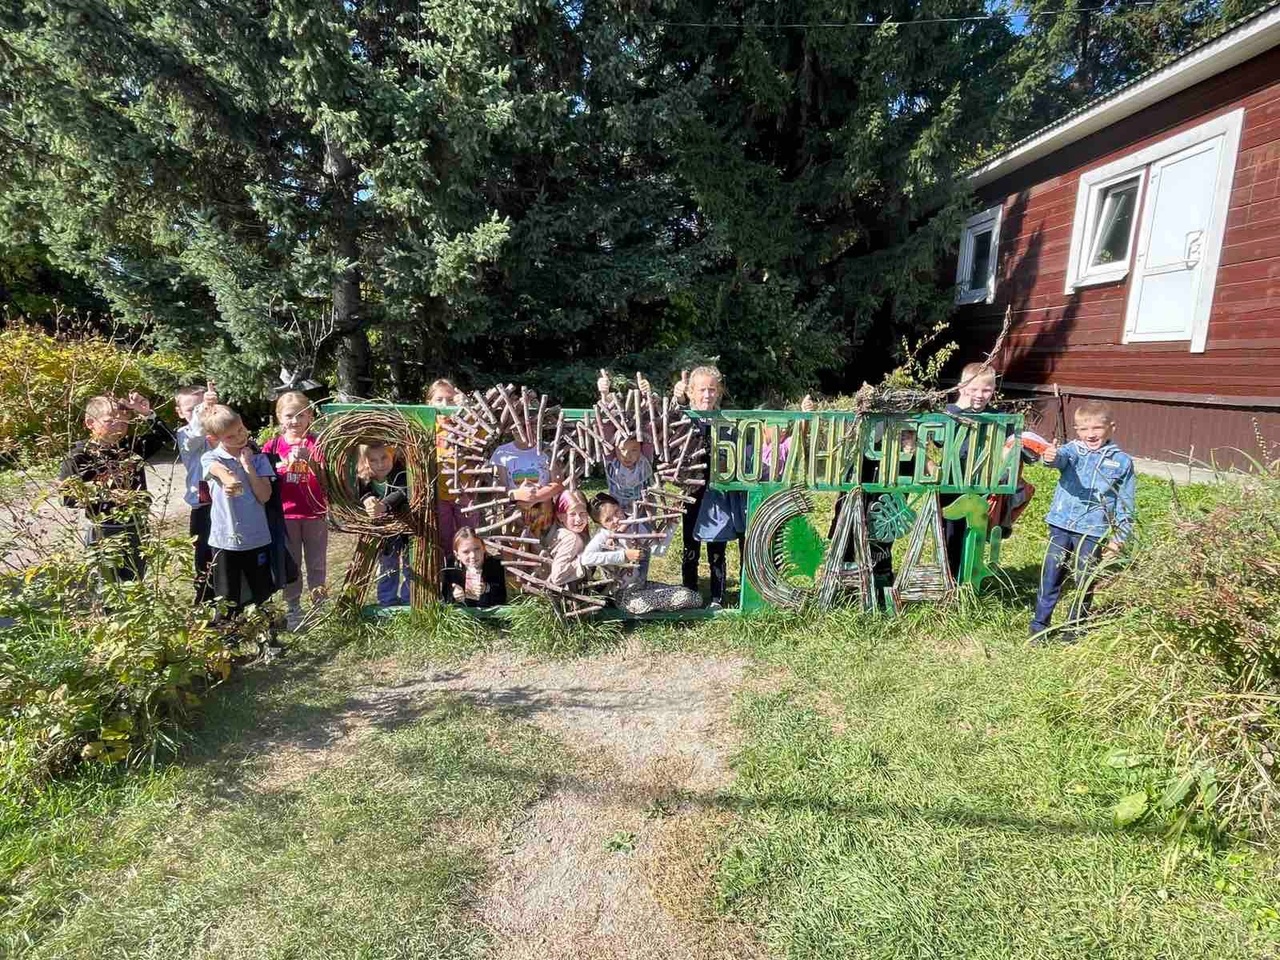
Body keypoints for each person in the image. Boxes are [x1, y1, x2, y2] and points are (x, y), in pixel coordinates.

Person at [1031, 400, 1135, 642]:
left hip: (1093, 531)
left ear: (1111, 427)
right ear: (1077, 430)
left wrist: (1120, 538)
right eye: (1084, 429)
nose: (1091, 434)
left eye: (1097, 428)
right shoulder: (1072, 451)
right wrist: (1050, 456)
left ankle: (1074, 629)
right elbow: (1058, 459)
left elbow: (1126, 503)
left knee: (1084, 578)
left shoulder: (1121, 462)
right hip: (1061, 526)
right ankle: (1039, 627)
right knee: (1051, 576)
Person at [59, 392, 167, 584]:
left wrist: (146, 413)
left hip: (137, 525)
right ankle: (108, 614)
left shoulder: (131, 447)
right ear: (90, 423)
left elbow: (165, 437)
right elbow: (67, 497)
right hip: (104, 529)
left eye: (124, 422)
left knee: (135, 580)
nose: (119, 427)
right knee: (108, 585)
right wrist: (106, 493)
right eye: (110, 421)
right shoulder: (79, 456)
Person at [942, 363, 1037, 577]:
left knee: (976, 532)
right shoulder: (950, 414)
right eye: (973, 389)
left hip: (984, 484)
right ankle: (949, 575)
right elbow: (938, 441)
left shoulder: (999, 418)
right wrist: (960, 406)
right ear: (961, 387)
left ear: (994, 390)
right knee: (951, 533)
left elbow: (1014, 444)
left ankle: (968, 578)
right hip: (952, 484)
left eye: (986, 390)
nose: (980, 395)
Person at [200, 405, 281, 627]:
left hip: (256, 538)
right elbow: (217, 470)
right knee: (227, 597)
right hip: (225, 541)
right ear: (214, 439)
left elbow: (264, 496)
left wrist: (247, 467)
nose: (239, 436)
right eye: (230, 435)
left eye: (241, 429)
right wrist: (228, 480)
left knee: (262, 592)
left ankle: (268, 639)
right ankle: (229, 644)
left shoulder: (258, 459)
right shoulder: (210, 458)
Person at [674, 366, 745, 609]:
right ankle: (689, 592)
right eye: (702, 390)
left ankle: (717, 596)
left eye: (712, 389)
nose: (707, 395)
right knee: (690, 545)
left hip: (717, 493)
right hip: (692, 492)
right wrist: (677, 398)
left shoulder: (726, 422)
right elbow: (666, 421)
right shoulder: (684, 418)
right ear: (692, 392)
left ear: (719, 392)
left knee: (717, 547)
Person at [263, 391, 328, 628]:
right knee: (292, 565)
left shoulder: (318, 442)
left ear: (310, 416)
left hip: (315, 513)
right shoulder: (272, 446)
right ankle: (293, 607)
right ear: (280, 417)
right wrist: (281, 465)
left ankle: (319, 606)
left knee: (316, 563)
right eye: (289, 416)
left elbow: (326, 477)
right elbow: (264, 478)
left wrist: (310, 459)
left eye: (301, 415)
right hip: (286, 515)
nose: (295, 421)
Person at [583, 493, 700, 615]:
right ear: (600, 523)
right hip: (624, 596)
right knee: (686, 597)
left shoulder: (634, 525)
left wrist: (672, 524)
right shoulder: (603, 536)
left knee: (692, 596)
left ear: (619, 506)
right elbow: (586, 558)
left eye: (616, 512)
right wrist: (624, 555)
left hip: (640, 585)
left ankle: (661, 600)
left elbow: (658, 550)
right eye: (608, 519)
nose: (616, 519)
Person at [175, 382, 219, 601]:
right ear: (180, 412)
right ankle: (204, 600)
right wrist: (202, 412)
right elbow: (196, 434)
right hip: (202, 503)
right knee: (204, 554)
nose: (197, 412)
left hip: (228, 501)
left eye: (201, 406)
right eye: (191, 409)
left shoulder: (222, 429)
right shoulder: (184, 434)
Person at [356, 440, 412, 606]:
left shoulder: (401, 473)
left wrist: (383, 505)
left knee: (411, 563)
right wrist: (367, 500)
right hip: (386, 529)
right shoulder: (364, 478)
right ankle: (387, 600)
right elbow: (362, 494)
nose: (380, 464)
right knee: (388, 564)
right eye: (373, 460)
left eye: (384, 458)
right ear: (365, 461)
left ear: (392, 456)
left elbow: (403, 491)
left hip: (408, 524)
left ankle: (409, 599)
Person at [426, 378, 465, 563]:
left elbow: (482, 437)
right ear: (429, 403)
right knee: (445, 537)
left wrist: (467, 411)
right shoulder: (428, 426)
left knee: (468, 536)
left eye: (450, 400)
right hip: (439, 494)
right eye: (439, 400)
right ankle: (449, 574)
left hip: (466, 493)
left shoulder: (466, 424)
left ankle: (470, 574)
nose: (445, 404)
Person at [442, 527, 507, 608]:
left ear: (483, 548)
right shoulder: (451, 568)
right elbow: (444, 596)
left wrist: (487, 588)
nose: (473, 555)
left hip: (489, 615)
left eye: (477, 549)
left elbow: (502, 597)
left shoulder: (494, 565)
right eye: (466, 552)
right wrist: (454, 593)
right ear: (457, 555)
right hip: (462, 616)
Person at [542, 490, 590, 587]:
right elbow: (557, 576)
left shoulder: (560, 530)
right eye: (572, 514)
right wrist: (583, 561)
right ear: (561, 516)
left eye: (582, 513)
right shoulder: (571, 539)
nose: (579, 519)